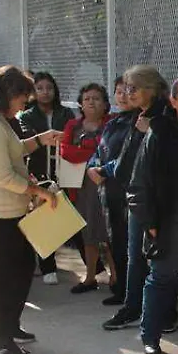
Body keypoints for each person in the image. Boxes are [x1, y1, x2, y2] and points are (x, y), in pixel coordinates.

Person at [0, 66, 63, 354]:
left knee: (20, 270)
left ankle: (10, 326)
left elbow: (12, 150)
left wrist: (39, 139)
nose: (25, 104)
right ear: (7, 93)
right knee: (2, 277)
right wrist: (40, 192)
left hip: (14, 208)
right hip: (2, 210)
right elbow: (4, 176)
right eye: (22, 98)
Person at [127, 76, 178, 354]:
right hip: (165, 222)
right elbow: (139, 184)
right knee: (161, 278)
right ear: (173, 101)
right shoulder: (159, 132)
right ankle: (150, 337)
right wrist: (150, 223)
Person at [104, 66, 170, 331]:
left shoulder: (161, 119)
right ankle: (134, 306)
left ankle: (158, 312)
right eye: (126, 88)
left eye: (133, 88)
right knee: (136, 255)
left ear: (151, 90)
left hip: (152, 198)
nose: (127, 93)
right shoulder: (139, 116)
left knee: (154, 258)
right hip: (136, 194)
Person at [17, 71, 75, 285]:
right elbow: (26, 137)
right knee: (44, 214)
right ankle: (47, 265)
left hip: (65, 168)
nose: (45, 92)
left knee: (66, 211)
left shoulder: (65, 112)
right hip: (40, 169)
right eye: (40, 88)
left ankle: (89, 265)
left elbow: (72, 133)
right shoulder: (26, 115)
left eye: (49, 88)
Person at [61, 83, 117, 294]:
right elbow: (66, 152)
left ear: (105, 104)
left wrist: (84, 155)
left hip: (106, 184)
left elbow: (111, 153)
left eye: (96, 98)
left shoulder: (112, 124)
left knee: (110, 233)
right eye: (87, 99)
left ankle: (115, 275)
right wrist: (94, 156)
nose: (91, 102)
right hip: (82, 187)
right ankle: (90, 277)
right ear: (80, 104)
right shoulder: (72, 126)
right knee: (88, 233)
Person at [90, 77, 136, 306]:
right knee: (115, 241)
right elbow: (100, 150)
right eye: (118, 91)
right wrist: (92, 166)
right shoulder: (113, 123)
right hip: (110, 192)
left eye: (128, 91)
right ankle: (121, 290)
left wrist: (104, 170)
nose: (122, 96)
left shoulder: (140, 123)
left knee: (132, 245)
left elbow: (129, 158)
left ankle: (134, 294)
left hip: (129, 192)